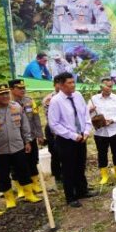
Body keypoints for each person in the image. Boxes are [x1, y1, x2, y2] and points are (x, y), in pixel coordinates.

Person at [47, 72, 95, 207]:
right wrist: (73, 135)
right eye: (69, 83)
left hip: (82, 137)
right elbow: (54, 124)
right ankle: (71, 196)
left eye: (73, 82)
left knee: (80, 165)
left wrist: (86, 131)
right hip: (66, 140)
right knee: (68, 169)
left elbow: (85, 114)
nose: (73, 85)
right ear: (61, 85)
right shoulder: (56, 101)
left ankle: (82, 190)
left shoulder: (78, 95)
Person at [0, 83, 41, 210]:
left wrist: (27, 141)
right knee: (2, 175)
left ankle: (29, 194)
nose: (5, 96)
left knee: (23, 170)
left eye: (7, 93)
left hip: (18, 146)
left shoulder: (16, 106)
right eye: (1, 94)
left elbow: (24, 126)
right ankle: (9, 199)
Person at [9, 79, 44, 195]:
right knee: (16, 163)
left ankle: (34, 183)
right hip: (15, 139)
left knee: (33, 160)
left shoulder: (29, 101)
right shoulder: (7, 104)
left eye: (24, 88)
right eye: (19, 88)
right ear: (11, 89)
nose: (23, 90)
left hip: (31, 136)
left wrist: (39, 134)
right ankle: (20, 187)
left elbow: (36, 118)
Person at [88, 78, 116, 185]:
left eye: (111, 86)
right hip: (100, 132)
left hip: (115, 130)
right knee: (102, 153)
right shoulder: (93, 99)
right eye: (107, 86)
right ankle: (104, 175)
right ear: (101, 87)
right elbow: (87, 114)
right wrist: (90, 111)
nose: (110, 88)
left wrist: (113, 120)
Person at [42, 78, 62, 181]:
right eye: (59, 83)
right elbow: (52, 117)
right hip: (53, 128)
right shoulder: (49, 99)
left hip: (68, 129)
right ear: (54, 85)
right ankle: (57, 175)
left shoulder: (70, 96)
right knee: (55, 152)